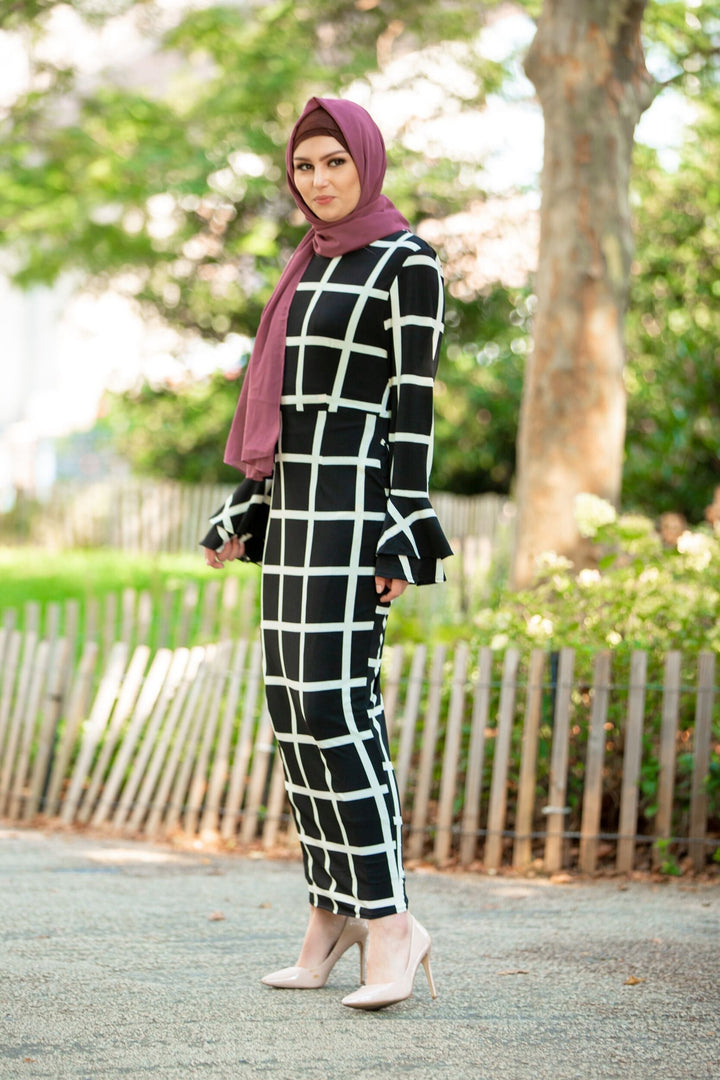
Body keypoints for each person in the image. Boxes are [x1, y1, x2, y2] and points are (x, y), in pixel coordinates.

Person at [201, 96, 452, 1011]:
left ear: (367, 164)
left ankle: (391, 924)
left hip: (356, 514)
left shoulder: (405, 263)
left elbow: (411, 414)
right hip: (297, 514)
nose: (319, 181)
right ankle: (330, 914)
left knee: (343, 715)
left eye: (334, 163)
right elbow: (283, 414)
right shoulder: (305, 265)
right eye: (304, 167)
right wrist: (247, 507)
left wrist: (403, 523)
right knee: (295, 718)